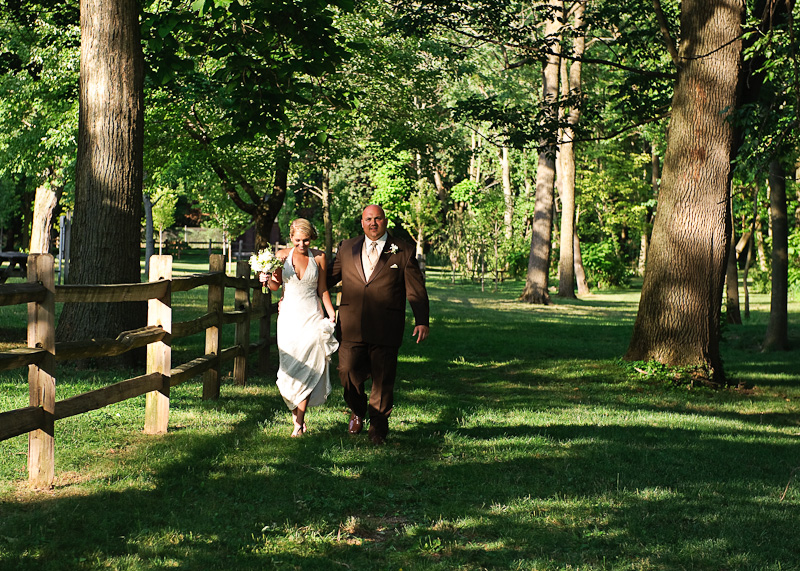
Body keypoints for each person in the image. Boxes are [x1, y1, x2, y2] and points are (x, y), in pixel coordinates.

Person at [328, 204, 430, 444]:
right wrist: (293, 280)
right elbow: (328, 278)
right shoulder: (346, 248)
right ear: (362, 223)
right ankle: (357, 409)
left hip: (387, 325)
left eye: (378, 219)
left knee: (383, 380)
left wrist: (422, 320)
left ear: (385, 221)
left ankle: (378, 429)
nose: (373, 223)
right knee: (347, 372)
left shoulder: (403, 250)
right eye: (368, 219)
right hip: (351, 325)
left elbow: (415, 288)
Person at [261, 219, 338, 437]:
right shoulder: (281, 256)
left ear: (311, 238)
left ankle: (299, 422)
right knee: (290, 367)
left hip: (312, 316)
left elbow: (322, 288)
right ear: (291, 238)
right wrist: (266, 279)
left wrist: (331, 312)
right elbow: (276, 286)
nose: (302, 245)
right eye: (297, 241)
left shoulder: (320, 257)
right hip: (288, 319)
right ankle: (297, 416)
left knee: (308, 365)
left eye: (305, 240)